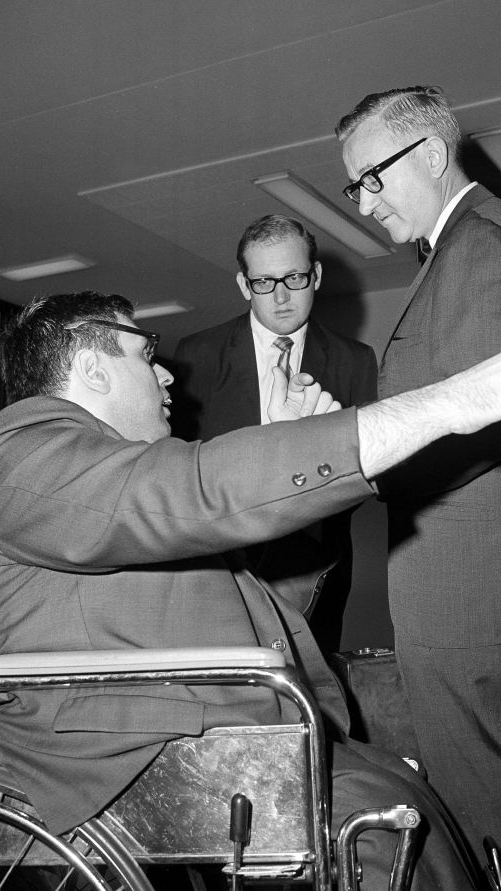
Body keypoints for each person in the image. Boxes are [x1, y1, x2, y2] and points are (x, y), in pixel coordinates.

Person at [0, 290, 501, 887]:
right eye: (146, 352)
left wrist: (280, 442)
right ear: (90, 365)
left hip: (225, 727)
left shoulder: (109, 490)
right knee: (393, 839)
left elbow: (267, 593)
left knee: (409, 805)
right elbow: (196, 489)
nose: (167, 374)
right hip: (127, 752)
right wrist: (446, 403)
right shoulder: (23, 446)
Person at [336, 85, 501, 871]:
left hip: (468, 582)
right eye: (355, 185)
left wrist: (363, 458)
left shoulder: (477, 245)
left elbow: (483, 417)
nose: (365, 203)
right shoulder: (468, 244)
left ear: (432, 155)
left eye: (370, 178)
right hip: (476, 575)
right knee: (490, 792)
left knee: (489, 804)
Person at [172, 214, 378, 653]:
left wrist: (316, 453)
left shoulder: (355, 360)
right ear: (244, 285)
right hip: (221, 569)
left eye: (294, 278)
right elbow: (182, 472)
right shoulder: (197, 356)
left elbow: (367, 475)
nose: (280, 296)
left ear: (316, 276)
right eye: (263, 282)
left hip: (318, 564)